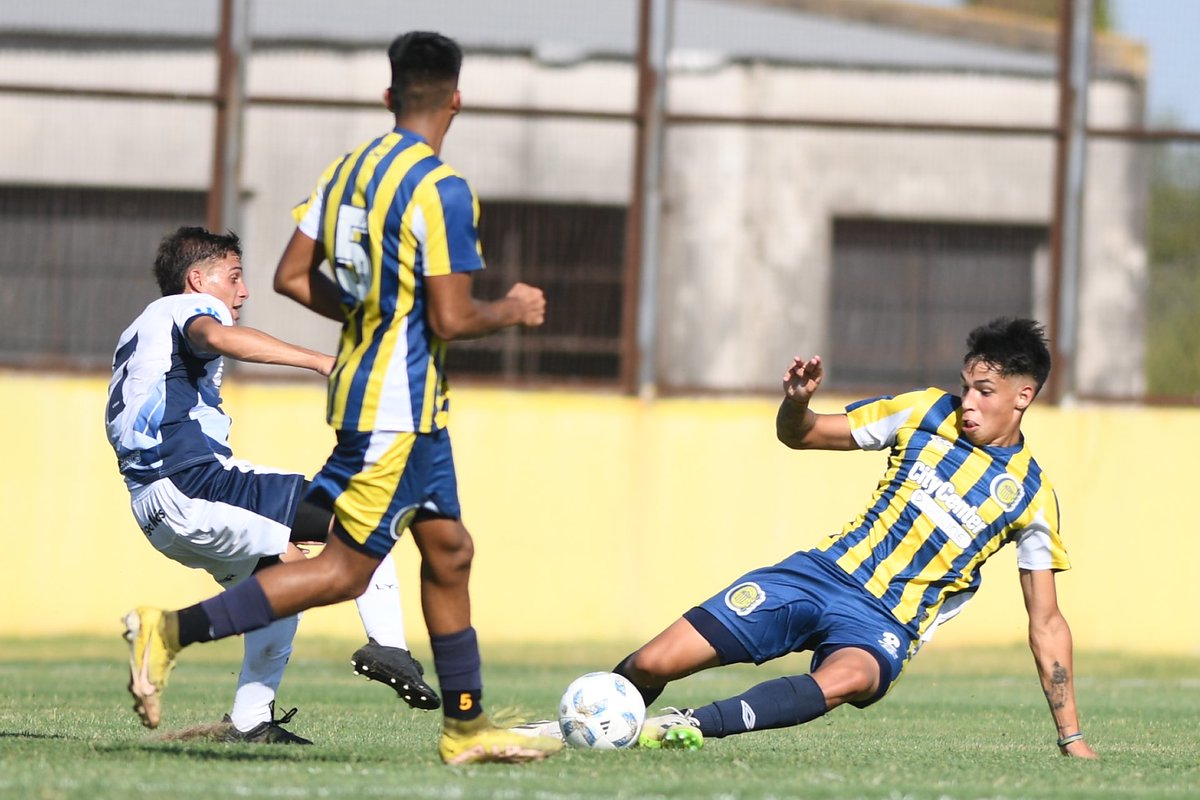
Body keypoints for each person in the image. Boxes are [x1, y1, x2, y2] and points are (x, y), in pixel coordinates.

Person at [121, 32, 563, 765]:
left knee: (448, 549)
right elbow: (452, 317)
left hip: (392, 398)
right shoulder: (442, 188)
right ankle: (170, 631)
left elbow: (294, 276)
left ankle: (465, 726)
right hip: (398, 401)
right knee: (344, 567)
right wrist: (512, 309)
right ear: (457, 99)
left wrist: (367, 322)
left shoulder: (348, 173)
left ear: (389, 96)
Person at [545, 318, 1095, 758]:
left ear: (1023, 396)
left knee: (851, 677)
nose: (968, 401)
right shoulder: (923, 411)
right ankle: (578, 726)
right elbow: (802, 435)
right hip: (818, 575)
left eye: (985, 391)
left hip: (884, 623)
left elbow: (1046, 622)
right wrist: (797, 403)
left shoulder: (1030, 496)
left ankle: (687, 726)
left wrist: (1070, 737)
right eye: (966, 386)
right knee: (652, 662)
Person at [108, 226, 439, 744]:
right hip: (193, 483)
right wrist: (322, 362)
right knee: (361, 517)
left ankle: (250, 720)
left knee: (285, 581)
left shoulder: (143, 327)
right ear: (197, 280)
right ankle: (389, 647)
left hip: (155, 505)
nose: (242, 292)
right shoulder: (190, 308)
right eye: (234, 277)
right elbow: (215, 337)